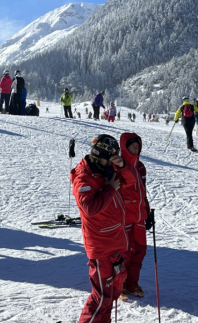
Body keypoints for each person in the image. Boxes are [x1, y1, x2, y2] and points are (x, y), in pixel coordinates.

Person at [71, 134, 129, 323]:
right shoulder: (84, 177)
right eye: (111, 157)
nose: (112, 162)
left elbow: (132, 182)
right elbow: (89, 208)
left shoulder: (106, 171)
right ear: (100, 154)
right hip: (100, 245)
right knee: (102, 297)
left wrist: (122, 166)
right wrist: (110, 189)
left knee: (110, 295)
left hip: (114, 241)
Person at [118, 133, 151, 300]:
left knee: (139, 250)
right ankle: (120, 285)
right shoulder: (118, 165)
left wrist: (147, 212)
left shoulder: (140, 166)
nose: (135, 148)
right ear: (124, 147)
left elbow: (143, 192)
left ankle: (132, 283)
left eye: (137, 145)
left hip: (139, 216)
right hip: (124, 216)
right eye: (132, 145)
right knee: (124, 253)